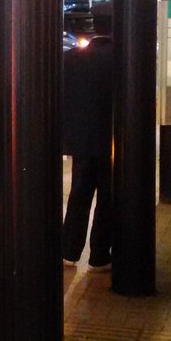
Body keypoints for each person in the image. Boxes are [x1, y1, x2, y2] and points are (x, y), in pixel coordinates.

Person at [61, 31, 114, 271]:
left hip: (81, 142)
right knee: (107, 198)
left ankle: (69, 251)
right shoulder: (120, 58)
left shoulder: (71, 58)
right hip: (112, 143)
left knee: (79, 195)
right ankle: (99, 256)